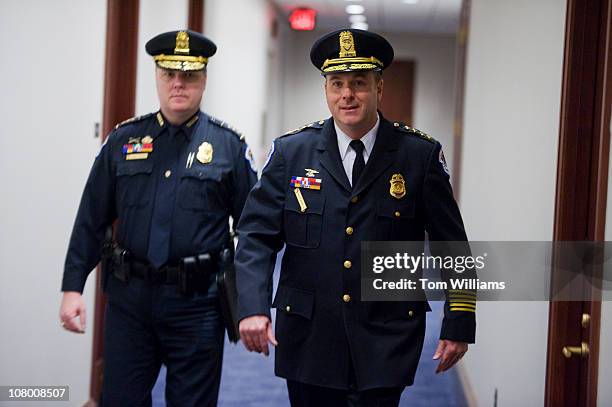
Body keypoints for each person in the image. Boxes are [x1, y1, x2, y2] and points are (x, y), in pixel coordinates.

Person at [235, 28, 476, 407]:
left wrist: (459, 321)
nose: (347, 94)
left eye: (359, 82)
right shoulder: (291, 153)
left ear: (379, 88)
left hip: (386, 336)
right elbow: (255, 236)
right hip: (309, 336)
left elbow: (453, 246)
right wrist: (252, 305)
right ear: (327, 90)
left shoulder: (419, 156)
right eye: (337, 83)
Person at [59, 30, 257, 406]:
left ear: (204, 79)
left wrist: (253, 302)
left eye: (189, 75)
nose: (178, 83)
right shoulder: (123, 141)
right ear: (157, 76)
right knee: (120, 399)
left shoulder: (229, 147)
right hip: (129, 301)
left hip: (198, 303)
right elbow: (91, 217)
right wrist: (72, 287)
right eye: (169, 74)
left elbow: (254, 229)